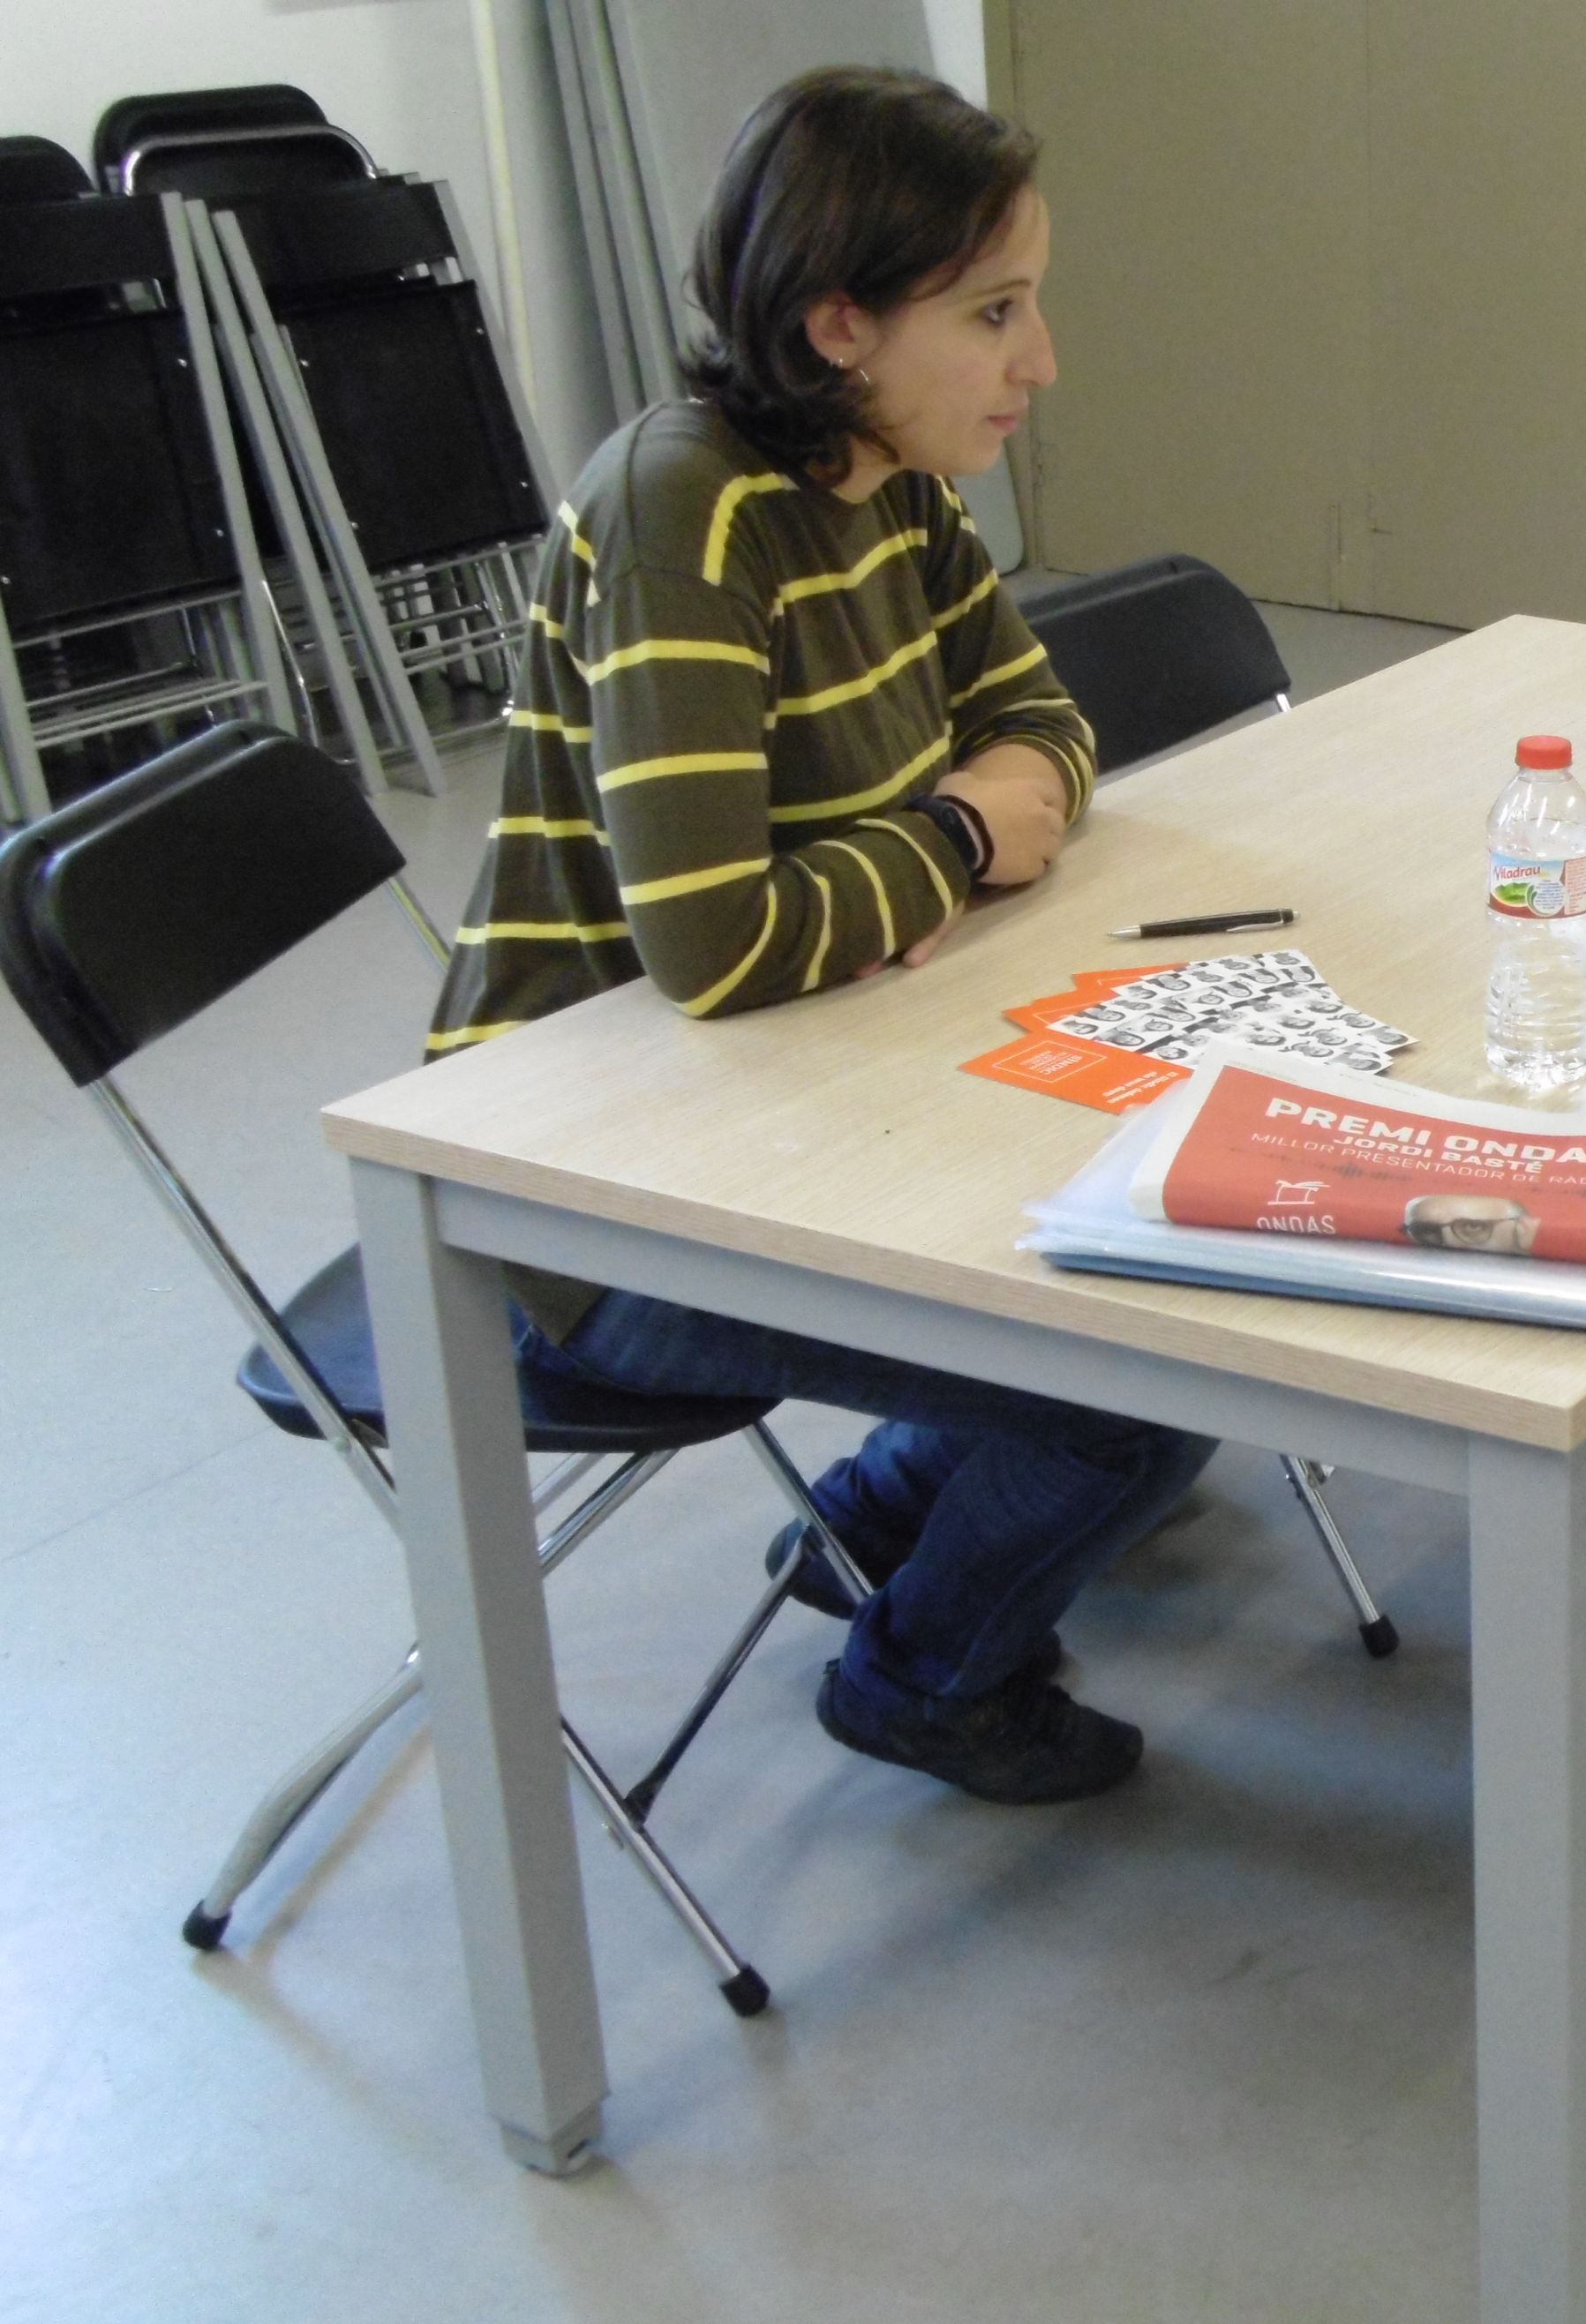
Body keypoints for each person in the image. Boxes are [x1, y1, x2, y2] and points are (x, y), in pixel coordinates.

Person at [426, 68, 1214, 1808]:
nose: (1042, 361)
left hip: (802, 1097)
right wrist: (944, 833)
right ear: (838, 323)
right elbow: (717, 944)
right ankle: (923, 1678)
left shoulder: (889, 475)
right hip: (581, 1201)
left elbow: (1048, 736)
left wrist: (905, 864)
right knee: (1141, 1394)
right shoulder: (683, 512)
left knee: (1176, 1253)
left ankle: (869, 1514)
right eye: (994, 313)